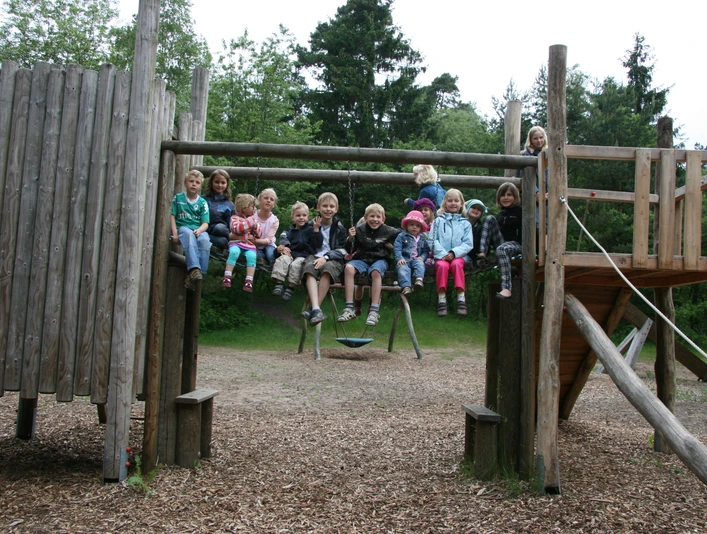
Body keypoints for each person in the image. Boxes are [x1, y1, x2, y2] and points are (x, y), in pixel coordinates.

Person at [338, 203, 398, 326]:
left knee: (375, 272)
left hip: (380, 259)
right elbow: (350, 249)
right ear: (365, 218)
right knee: (349, 268)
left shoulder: (389, 230)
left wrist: (392, 247)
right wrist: (350, 238)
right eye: (371, 216)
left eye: (378, 217)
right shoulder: (359, 230)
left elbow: (404, 239)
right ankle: (349, 308)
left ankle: (374, 310)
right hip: (362, 259)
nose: (375, 219)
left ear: (383, 219)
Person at [300, 192, 348, 326]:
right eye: (325, 206)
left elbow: (343, 250)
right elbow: (308, 245)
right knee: (309, 268)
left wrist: (326, 257)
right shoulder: (310, 225)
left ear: (336, 209)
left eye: (331, 206)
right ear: (318, 207)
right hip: (314, 256)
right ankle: (316, 309)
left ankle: (314, 310)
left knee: (328, 269)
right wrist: (315, 231)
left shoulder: (339, 228)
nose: (328, 209)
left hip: (332, 259)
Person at [477, 182, 522, 300]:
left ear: (515, 197)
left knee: (501, 249)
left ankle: (506, 288)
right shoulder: (500, 215)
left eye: (509, 195)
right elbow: (492, 234)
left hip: (518, 245)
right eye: (503, 195)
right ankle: (482, 253)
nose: (506, 198)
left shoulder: (521, 212)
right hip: (502, 244)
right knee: (489, 218)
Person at [432, 188, 473, 317]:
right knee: (441, 266)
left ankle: (461, 298)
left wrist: (454, 253)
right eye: (450, 201)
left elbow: (468, 243)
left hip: (458, 256)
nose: (453, 203)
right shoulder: (438, 221)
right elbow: (432, 240)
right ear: (444, 203)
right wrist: (443, 254)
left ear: (461, 203)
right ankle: (441, 299)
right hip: (441, 256)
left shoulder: (465, 223)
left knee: (456, 264)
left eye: (456, 201)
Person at [271, 202, 321, 301]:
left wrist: (316, 230)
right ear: (293, 217)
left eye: (304, 215)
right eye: (298, 215)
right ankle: (279, 283)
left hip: (304, 255)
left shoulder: (310, 230)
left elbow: (317, 245)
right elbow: (282, 246)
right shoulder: (289, 232)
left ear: (308, 217)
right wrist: (279, 250)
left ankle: (291, 287)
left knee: (296, 265)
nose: (301, 217)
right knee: (282, 259)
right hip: (291, 254)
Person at [170, 170, 210, 291]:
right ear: (185, 183)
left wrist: (199, 230)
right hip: (184, 227)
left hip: (198, 228)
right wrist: (175, 234)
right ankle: (194, 269)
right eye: (191, 181)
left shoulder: (203, 202)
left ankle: (197, 274)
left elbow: (205, 223)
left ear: (200, 186)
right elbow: (172, 216)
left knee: (205, 241)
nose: (194, 184)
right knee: (188, 235)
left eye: (197, 182)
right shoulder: (178, 198)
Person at [222, 193, 262, 293]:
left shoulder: (253, 220)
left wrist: (255, 226)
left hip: (249, 246)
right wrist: (249, 222)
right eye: (252, 207)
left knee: (252, 256)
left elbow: (259, 234)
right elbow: (237, 229)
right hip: (237, 243)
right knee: (234, 252)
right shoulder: (235, 218)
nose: (255, 209)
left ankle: (249, 281)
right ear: (243, 208)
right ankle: (227, 276)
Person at [393, 210, 430, 295]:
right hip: (404, 260)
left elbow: (426, 250)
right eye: (412, 224)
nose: (414, 227)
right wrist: (400, 258)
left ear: (421, 227)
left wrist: (423, 257)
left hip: (416, 259)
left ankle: (419, 280)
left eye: (417, 225)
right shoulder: (402, 236)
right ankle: (406, 287)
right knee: (403, 268)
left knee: (420, 264)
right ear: (406, 225)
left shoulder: (422, 238)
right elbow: (397, 248)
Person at [203, 169, 235, 251]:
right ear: (211, 183)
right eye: (216, 182)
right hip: (206, 231)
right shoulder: (203, 200)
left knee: (221, 234)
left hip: (223, 233)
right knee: (216, 230)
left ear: (227, 184)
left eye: (223, 183)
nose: (220, 185)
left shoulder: (229, 204)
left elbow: (231, 224)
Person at [464, 198, 496, 267]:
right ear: (468, 209)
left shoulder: (482, 228)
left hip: (475, 256)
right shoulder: (460, 224)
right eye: (473, 207)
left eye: (479, 209)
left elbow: (486, 242)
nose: (476, 210)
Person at [254, 188, 279, 265]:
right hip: (255, 245)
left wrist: (254, 240)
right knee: (255, 256)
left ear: (274, 204)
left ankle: (270, 261)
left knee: (270, 256)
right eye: (266, 198)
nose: (268, 200)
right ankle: (261, 258)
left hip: (268, 244)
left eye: (271, 199)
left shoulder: (274, 220)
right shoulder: (253, 215)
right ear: (260, 200)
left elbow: (268, 240)